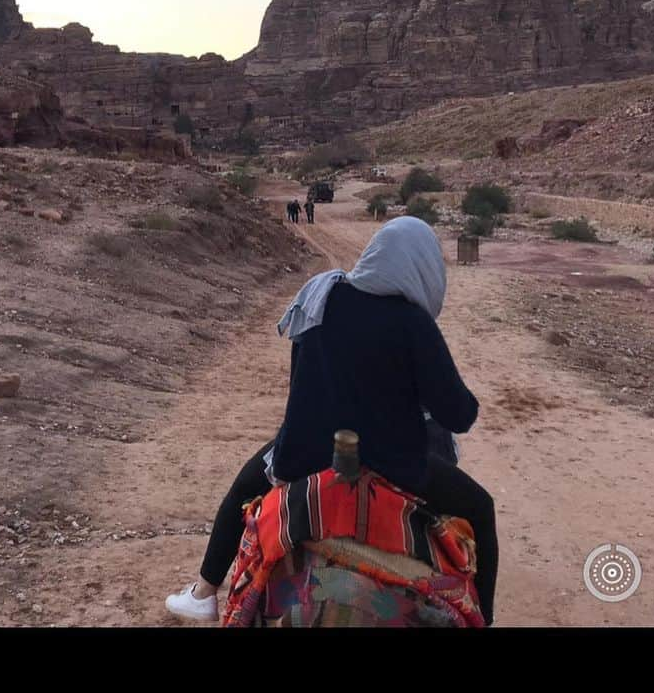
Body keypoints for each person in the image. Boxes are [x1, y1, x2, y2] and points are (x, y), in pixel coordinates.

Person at [164, 216, 497, 626]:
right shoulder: (412, 323)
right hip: (390, 467)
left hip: (303, 458)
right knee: (481, 508)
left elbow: (300, 378)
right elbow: (457, 416)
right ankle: (487, 618)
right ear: (421, 269)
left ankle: (203, 593)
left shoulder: (322, 296)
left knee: (241, 491)